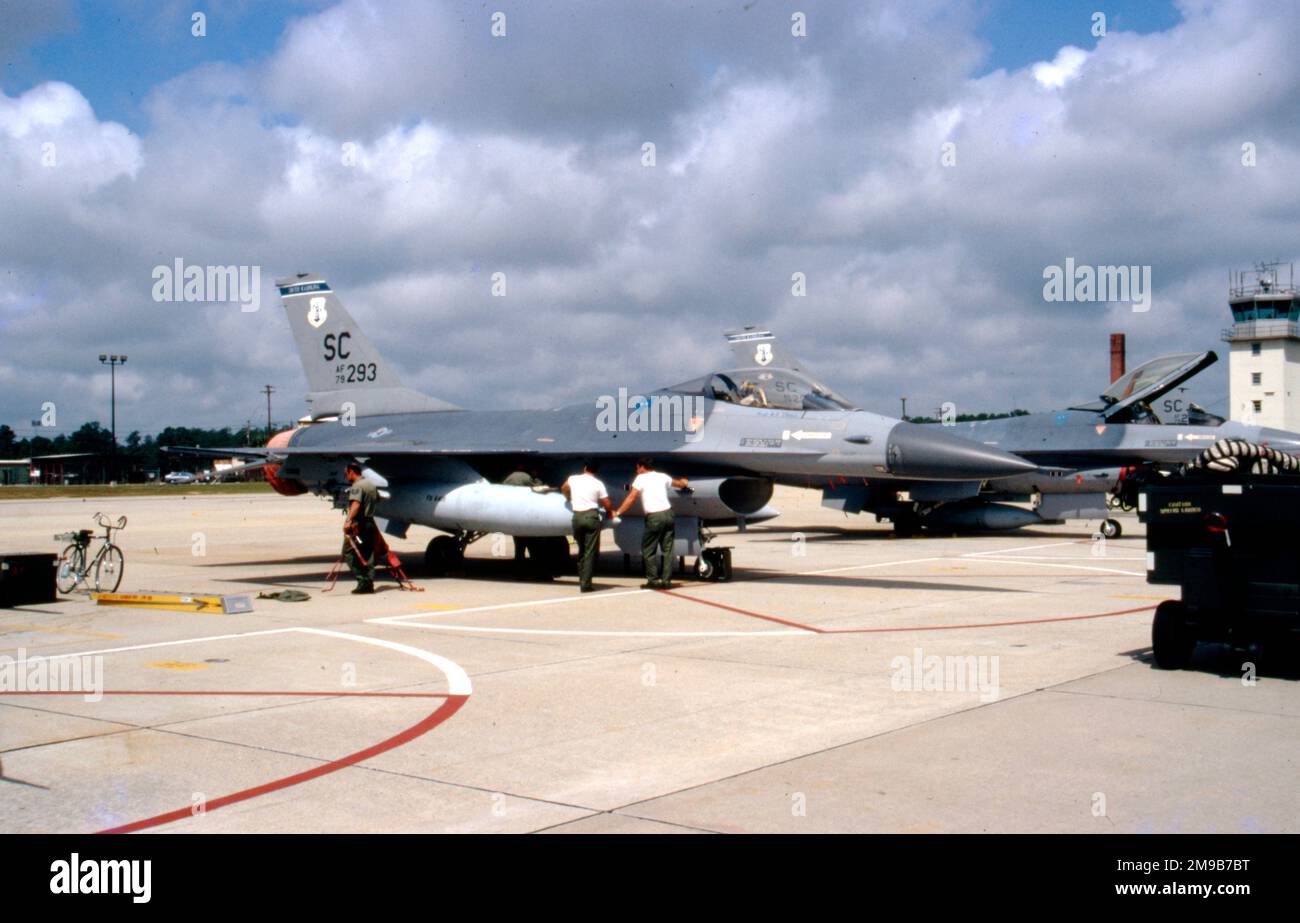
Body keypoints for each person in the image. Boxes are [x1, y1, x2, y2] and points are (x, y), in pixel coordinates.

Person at [614, 457, 689, 589]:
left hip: (654, 517)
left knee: (648, 549)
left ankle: (653, 580)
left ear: (642, 467)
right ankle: (666, 581)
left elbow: (632, 497)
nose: (636, 470)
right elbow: (679, 484)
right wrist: (684, 481)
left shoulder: (640, 479)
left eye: (637, 468)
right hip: (668, 514)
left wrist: (618, 512)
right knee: (667, 550)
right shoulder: (662, 476)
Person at [561, 460, 615, 593]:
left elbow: (564, 488)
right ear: (596, 471)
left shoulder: (573, 478)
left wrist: (569, 498)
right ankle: (586, 584)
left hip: (577, 517)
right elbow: (606, 502)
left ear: (585, 468)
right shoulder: (598, 483)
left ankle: (582, 578)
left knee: (581, 549)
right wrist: (609, 512)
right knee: (590, 552)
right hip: (591, 517)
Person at [341, 461, 380, 595]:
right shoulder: (370, 484)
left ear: (352, 472)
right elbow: (378, 499)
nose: (345, 476)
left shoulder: (357, 486)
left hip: (359, 526)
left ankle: (362, 581)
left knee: (349, 553)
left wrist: (348, 521)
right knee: (368, 554)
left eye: (346, 473)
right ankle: (369, 583)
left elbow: (356, 505)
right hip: (370, 524)